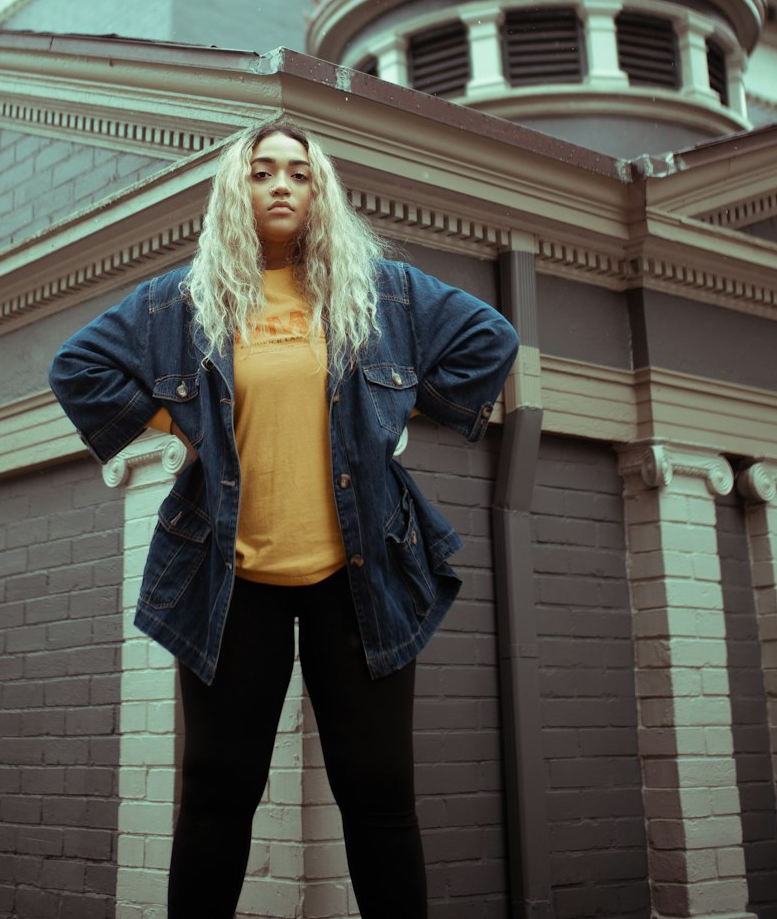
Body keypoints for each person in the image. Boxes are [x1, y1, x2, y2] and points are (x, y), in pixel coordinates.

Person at [49, 119, 519, 919]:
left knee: (378, 794)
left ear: (318, 190)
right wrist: (179, 423)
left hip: (359, 573)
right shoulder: (182, 301)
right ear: (238, 188)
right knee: (215, 794)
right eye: (262, 170)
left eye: (298, 173)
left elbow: (490, 338)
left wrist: (394, 413)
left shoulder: (385, 290)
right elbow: (78, 367)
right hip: (231, 582)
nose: (280, 184)